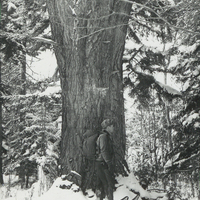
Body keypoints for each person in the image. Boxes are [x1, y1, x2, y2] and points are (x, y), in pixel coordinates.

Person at [96, 119, 115, 200]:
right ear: (107, 127)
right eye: (112, 126)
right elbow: (103, 150)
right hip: (103, 164)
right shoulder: (103, 136)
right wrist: (109, 163)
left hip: (102, 164)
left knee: (104, 185)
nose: (113, 128)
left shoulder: (106, 136)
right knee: (109, 184)